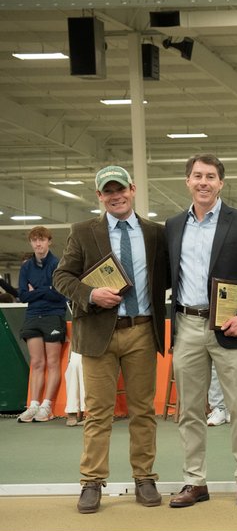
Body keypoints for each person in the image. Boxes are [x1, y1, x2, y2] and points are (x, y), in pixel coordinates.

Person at [53, 165, 168, 513]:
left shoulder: (155, 233)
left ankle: (144, 478)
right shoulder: (83, 232)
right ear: (100, 196)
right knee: (98, 412)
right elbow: (62, 277)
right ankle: (91, 482)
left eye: (121, 189)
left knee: (143, 412)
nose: (116, 196)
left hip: (143, 331)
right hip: (98, 333)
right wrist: (90, 295)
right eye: (108, 191)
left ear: (132, 190)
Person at [164, 154, 237, 509]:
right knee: (190, 409)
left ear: (221, 183)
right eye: (197, 176)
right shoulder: (174, 225)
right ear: (188, 182)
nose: (204, 182)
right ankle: (194, 481)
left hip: (231, 327)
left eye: (210, 176)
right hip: (187, 325)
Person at [14, 227, 68, 423]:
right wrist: (46, 290)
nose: (38, 244)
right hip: (32, 316)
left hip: (54, 316)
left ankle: (47, 405)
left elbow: (61, 294)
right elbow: (22, 295)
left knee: (53, 363)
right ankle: (34, 404)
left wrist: (36, 291)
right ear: (31, 243)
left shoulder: (58, 264)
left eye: (42, 240)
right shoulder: (26, 267)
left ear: (49, 242)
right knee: (37, 363)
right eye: (35, 241)